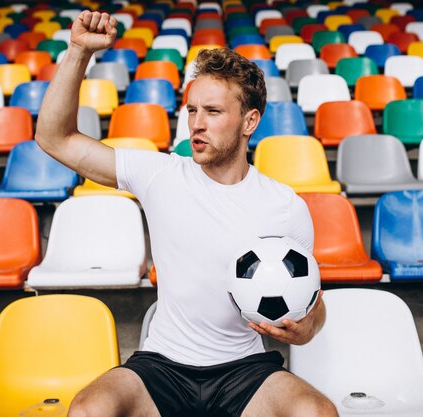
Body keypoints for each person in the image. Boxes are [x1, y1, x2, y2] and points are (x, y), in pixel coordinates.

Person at [35, 10, 338, 417]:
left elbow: (312, 303)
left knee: (317, 412)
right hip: (162, 365)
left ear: (250, 121)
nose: (196, 124)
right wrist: (77, 51)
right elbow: (55, 138)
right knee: (89, 410)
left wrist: (306, 328)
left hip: (244, 371)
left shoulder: (285, 207)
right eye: (192, 110)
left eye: (212, 112)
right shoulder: (160, 174)